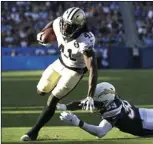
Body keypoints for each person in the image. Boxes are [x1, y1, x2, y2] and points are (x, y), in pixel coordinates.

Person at [21, 7, 98, 141]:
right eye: (64, 23)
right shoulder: (59, 23)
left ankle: (33, 132)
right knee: (41, 91)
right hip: (59, 63)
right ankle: (56, 87)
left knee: (52, 100)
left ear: (78, 26)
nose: (65, 27)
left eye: (69, 26)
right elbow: (54, 22)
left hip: (74, 71)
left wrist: (90, 96)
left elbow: (93, 69)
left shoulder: (85, 40)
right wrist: (43, 33)